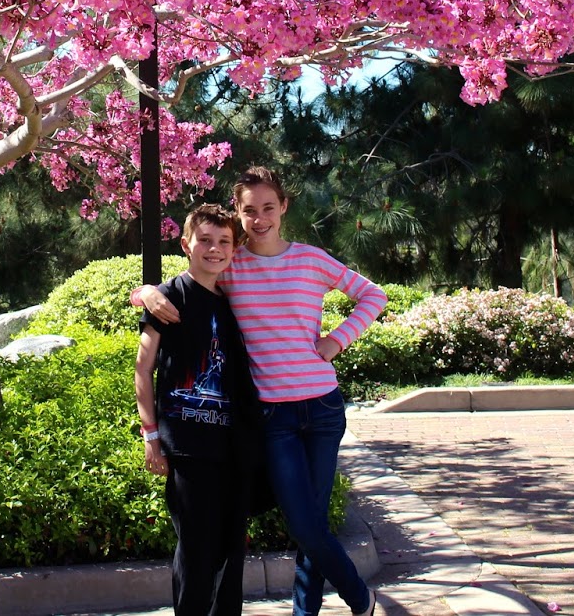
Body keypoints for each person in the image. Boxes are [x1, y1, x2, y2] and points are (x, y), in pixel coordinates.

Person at [135, 167, 386, 616]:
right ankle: (360, 598)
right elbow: (188, 286)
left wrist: (336, 341)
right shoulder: (233, 264)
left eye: (269, 207)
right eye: (249, 210)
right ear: (238, 213)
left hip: (323, 410)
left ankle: (305, 612)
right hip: (274, 417)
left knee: (312, 521)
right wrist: (146, 292)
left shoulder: (312, 259)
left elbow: (373, 296)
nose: (260, 218)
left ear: (284, 207)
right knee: (304, 523)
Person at [136, 203, 260, 616]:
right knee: (195, 551)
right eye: (205, 240)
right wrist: (151, 437)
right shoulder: (170, 296)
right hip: (188, 448)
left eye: (224, 241)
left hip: (234, 447)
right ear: (186, 244)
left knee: (230, 552)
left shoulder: (234, 300)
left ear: (234, 247)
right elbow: (143, 368)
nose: (214, 249)